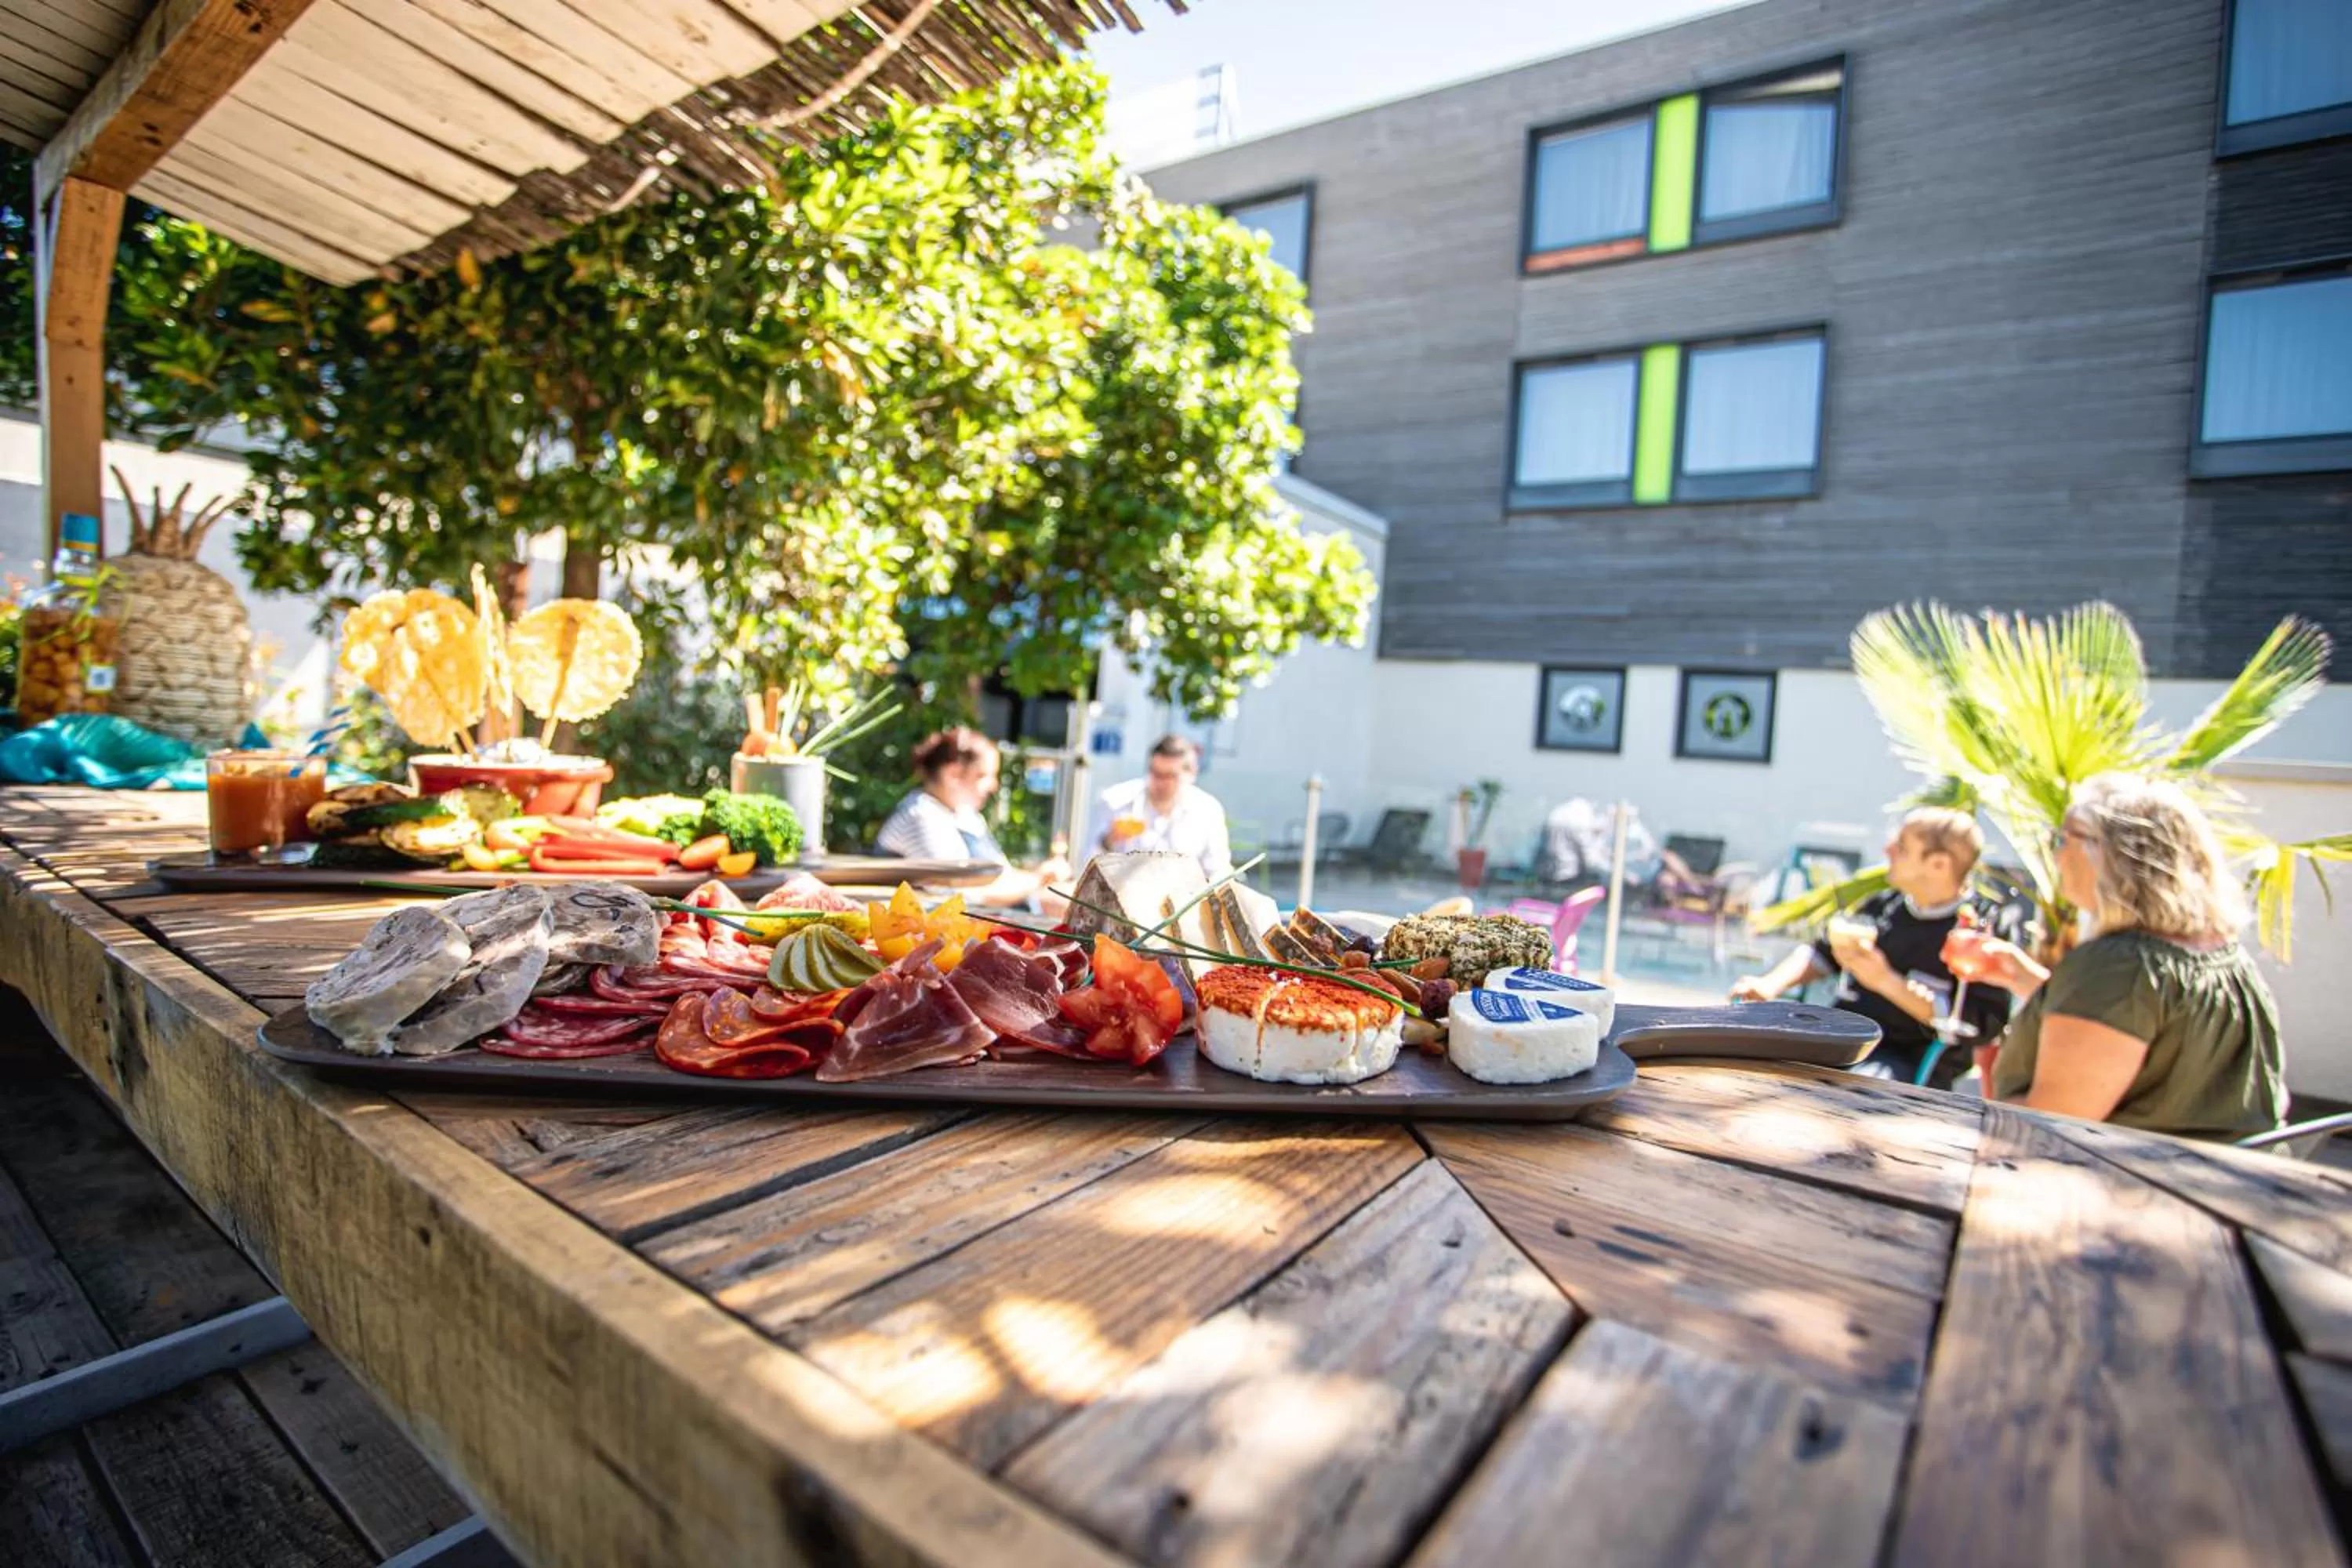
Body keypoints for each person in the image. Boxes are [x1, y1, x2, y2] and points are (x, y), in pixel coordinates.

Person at [1960, 774, 2285, 1141]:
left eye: (2064, 838)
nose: (2056, 854)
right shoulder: (2223, 952)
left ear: (2114, 854)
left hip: (2133, 1185)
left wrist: (1990, 1074)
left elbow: (2048, 1129)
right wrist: (2024, 979)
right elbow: (2134, 1023)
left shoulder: (2118, 965)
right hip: (2233, 1182)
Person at [1731, 808, 2014, 1087]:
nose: (1887, 850)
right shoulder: (1884, 906)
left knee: (1848, 1086)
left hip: (1903, 1062)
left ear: (1939, 864)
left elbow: (1980, 1024)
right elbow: (1820, 953)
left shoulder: (1979, 930)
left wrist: (1885, 981)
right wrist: (1769, 985)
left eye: (1901, 847)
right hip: (1839, 1039)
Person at [875, 728, 1070, 909]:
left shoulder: (965, 816)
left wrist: (1044, 877)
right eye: (983, 776)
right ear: (953, 774)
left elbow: (1002, 876)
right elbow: (962, 895)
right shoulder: (920, 816)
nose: (993, 786)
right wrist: (1039, 880)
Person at [1082, 735, 1233, 881]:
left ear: (1191, 774)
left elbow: (1218, 872)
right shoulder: (1116, 801)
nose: (1160, 783)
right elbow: (1086, 867)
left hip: (1184, 900)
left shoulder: (1207, 810)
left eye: (1170, 776)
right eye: (1156, 773)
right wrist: (1107, 841)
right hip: (1122, 900)